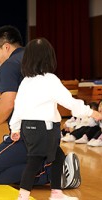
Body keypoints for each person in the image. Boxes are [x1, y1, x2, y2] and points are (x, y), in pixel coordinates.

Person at [0, 25, 80, 190]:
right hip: (50, 133)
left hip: (28, 135)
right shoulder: (34, 61)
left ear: (6, 47)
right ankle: (54, 162)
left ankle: (54, 171)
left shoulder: (9, 65)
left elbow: (9, 102)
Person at [9, 38, 102, 200]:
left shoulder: (26, 81)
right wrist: (90, 112)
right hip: (45, 129)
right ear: (49, 58)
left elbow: (18, 106)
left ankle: (56, 193)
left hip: (29, 128)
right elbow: (68, 101)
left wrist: (15, 127)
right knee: (35, 162)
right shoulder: (50, 80)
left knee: (57, 157)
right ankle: (23, 196)